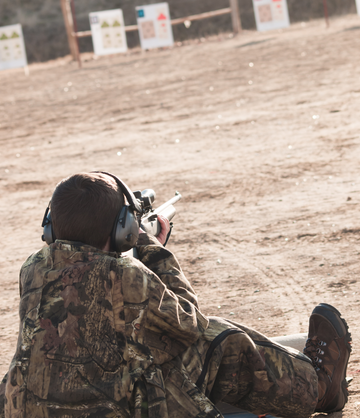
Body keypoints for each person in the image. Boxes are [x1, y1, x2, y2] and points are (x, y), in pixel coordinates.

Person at [0, 171, 352, 418]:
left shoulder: (33, 268)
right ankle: (321, 388)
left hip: (26, 408)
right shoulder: (126, 274)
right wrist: (152, 246)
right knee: (218, 340)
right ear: (123, 231)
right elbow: (190, 323)